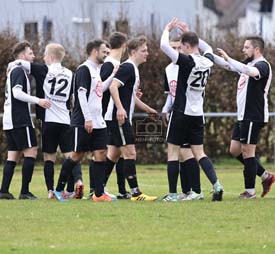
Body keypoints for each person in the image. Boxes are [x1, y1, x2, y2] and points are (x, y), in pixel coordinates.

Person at [160, 18, 224, 202]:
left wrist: (167, 28)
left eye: (182, 46)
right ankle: (217, 184)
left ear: (187, 46)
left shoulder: (186, 61)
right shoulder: (208, 61)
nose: (180, 49)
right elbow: (209, 48)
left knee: (172, 152)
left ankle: (172, 194)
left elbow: (164, 45)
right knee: (199, 153)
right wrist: (191, 33)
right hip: (198, 114)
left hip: (181, 112)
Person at [9, 43, 81, 199]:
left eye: (45, 55)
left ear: (52, 57)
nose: (43, 58)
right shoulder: (70, 73)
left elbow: (21, 62)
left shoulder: (44, 69)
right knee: (70, 155)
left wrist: (13, 63)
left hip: (49, 119)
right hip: (65, 119)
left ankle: (51, 190)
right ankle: (74, 185)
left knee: (49, 157)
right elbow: (73, 97)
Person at [54, 39, 115, 202]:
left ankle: (99, 194)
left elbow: (100, 89)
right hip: (84, 121)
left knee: (101, 153)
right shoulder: (84, 69)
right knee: (77, 155)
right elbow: (81, 94)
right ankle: (59, 189)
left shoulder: (97, 70)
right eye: (104, 52)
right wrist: (87, 118)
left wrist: (114, 75)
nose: (107, 55)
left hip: (99, 121)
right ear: (95, 52)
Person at [214, 36, 274, 198]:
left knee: (248, 153)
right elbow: (227, 65)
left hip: (253, 116)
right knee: (235, 150)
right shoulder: (247, 64)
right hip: (243, 116)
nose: (243, 50)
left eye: (246, 47)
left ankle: (250, 192)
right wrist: (206, 52)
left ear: (256, 49)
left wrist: (229, 58)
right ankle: (265, 176)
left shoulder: (262, 65)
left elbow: (250, 72)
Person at [106, 35, 158, 201]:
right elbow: (113, 87)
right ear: (133, 52)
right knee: (130, 154)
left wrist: (149, 109)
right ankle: (136, 193)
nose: (147, 53)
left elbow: (131, 97)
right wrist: (120, 109)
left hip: (119, 118)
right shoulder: (128, 67)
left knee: (113, 156)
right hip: (119, 118)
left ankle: (97, 190)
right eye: (144, 50)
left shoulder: (133, 69)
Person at [0, 41, 51, 200]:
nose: (33, 56)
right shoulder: (18, 71)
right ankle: (25, 191)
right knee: (31, 151)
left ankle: (4, 191)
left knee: (13, 155)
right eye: (30, 53)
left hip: (10, 120)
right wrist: (37, 100)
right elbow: (16, 93)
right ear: (22, 55)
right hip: (19, 119)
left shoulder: (14, 70)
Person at [161, 37, 202, 201]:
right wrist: (165, 109)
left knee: (184, 153)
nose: (176, 51)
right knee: (184, 153)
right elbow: (171, 95)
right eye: (173, 48)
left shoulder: (188, 65)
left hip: (187, 114)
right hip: (176, 114)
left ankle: (194, 190)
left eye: (179, 47)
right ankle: (188, 192)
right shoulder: (168, 69)